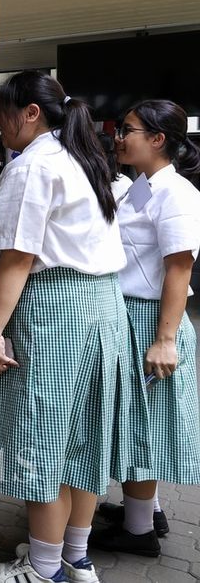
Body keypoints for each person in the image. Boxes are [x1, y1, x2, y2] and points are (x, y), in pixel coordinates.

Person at [0, 71, 127, 583]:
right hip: (103, 306)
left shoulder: (33, 167)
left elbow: (18, 258)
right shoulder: (88, 161)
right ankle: (75, 558)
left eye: (2, 110)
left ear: (31, 113)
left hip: (55, 309)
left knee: (42, 434)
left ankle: (43, 569)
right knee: (84, 436)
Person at [90, 100, 200, 557]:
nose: (118, 137)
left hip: (152, 322)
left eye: (127, 130)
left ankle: (138, 534)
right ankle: (145, 511)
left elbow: (180, 269)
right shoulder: (142, 186)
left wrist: (165, 340)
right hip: (132, 316)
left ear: (158, 140)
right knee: (137, 421)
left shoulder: (177, 193)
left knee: (142, 424)